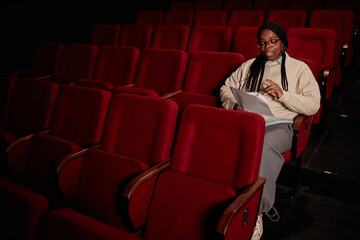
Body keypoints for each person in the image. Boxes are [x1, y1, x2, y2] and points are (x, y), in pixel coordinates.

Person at [220, 22, 321, 239]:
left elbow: (313, 105)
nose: (267, 47)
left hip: (279, 125)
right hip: (247, 122)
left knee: (264, 147)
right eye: (263, 43)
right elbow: (226, 88)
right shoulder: (249, 66)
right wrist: (234, 105)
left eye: (272, 41)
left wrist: (283, 95)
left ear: (283, 43)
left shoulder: (299, 68)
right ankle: (222, 198)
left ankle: (257, 211)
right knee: (219, 140)